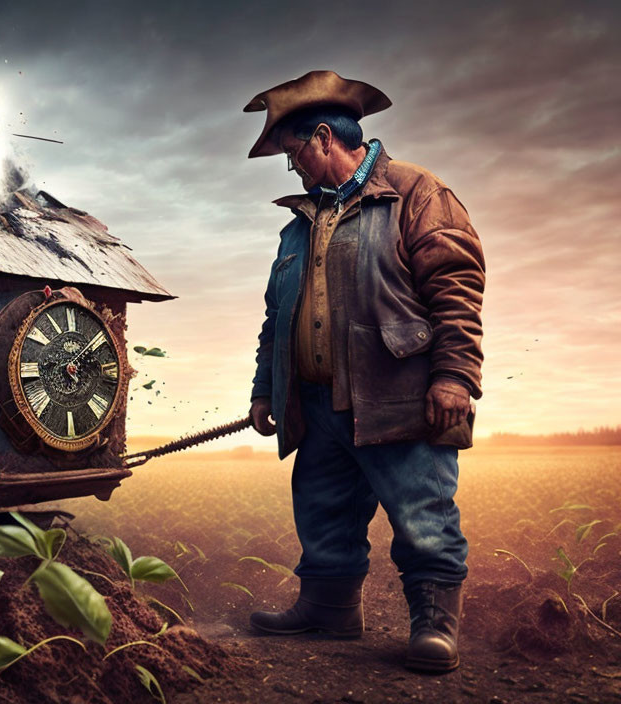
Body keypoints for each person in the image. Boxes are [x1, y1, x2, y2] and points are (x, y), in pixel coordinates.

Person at [244, 70, 485, 673]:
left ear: (324, 138)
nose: (293, 168)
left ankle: (434, 623)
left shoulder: (417, 193)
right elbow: (277, 317)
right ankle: (329, 607)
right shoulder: (297, 226)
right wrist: (264, 390)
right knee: (323, 508)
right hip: (316, 403)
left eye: (294, 153)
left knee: (422, 513)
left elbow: (456, 289)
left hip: (397, 396)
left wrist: (454, 376)